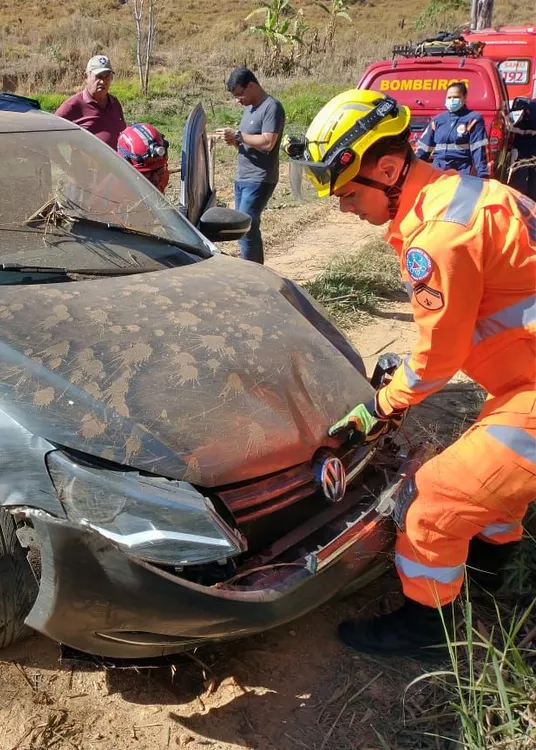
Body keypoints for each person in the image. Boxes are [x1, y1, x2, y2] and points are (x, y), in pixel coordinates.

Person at [285, 88, 535, 658]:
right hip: (523, 385)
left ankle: (428, 631)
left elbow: (436, 360)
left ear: (390, 168)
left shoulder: (440, 236)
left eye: (348, 195)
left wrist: (379, 406)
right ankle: (492, 582)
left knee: (432, 502)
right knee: (492, 482)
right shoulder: (470, 198)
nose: (343, 209)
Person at [213, 67, 285, 265]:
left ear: (251, 86)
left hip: (260, 177)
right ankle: (253, 268)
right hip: (243, 177)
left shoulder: (272, 107)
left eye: (240, 94)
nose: (238, 100)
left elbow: (268, 142)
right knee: (245, 226)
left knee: (246, 227)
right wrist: (235, 141)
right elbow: (247, 141)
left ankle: (253, 271)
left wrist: (239, 136)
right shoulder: (249, 110)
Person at [414, 81, 490, 178]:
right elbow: (424, 148)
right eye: (449, 97)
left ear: (464, 98)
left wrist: (483, 175)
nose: (452, 100)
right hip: (438, 170)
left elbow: (478, 149)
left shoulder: (473, 119)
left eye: (456, 97)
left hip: (462, 171)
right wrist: (411, 167)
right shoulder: (438, 120)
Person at [55, 54, 127, 150]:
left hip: (116, 163)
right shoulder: (73, 105)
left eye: (107, 76)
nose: (103, 81)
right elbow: (49, 134)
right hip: (86, 164)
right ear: (86, 77)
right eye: (99, 76)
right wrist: (61, 162)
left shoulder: (114, 103)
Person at [117, 122, 170, 193]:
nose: (156, 179)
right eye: (146, 173)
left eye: (159, 170)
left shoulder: (162, 175)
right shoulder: (113, 193)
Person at [508, 97, 536, 199]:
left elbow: (511, 125)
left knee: (520, 174)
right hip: (524, 146)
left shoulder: (528, 105)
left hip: (522, 146)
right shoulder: (529, 106)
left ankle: (518, 199)